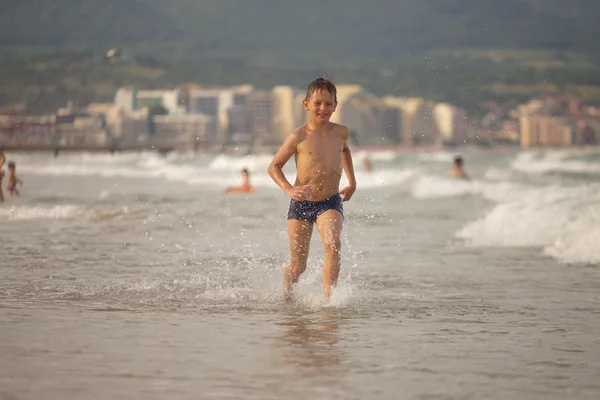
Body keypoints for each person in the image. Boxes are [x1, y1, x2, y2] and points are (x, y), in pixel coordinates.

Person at [267, 76, 357, 301]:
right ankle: (286, 295)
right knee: (298, 267)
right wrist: (289, 190)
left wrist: (352, 181)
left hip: (330, 201)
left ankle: (330, 301)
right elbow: (274, 166)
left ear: (336, 105)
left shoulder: (341, 132)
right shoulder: (298, 136)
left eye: (328, 103)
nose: (323, 108)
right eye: (317, 103)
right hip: (301, 204)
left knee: (333, 243)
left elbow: (344, 151)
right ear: (305, 104)